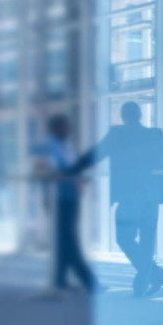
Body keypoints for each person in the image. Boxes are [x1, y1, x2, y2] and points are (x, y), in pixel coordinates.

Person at [68, 102, 163, 297]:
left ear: (123, 116)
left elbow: (95, 155)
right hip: (151, 195)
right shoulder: (153, 134)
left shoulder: (117, 135)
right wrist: (161, 165)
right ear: (139, 115)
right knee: (147, 239)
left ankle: (151, 276)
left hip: (129, 196)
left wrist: (72, 169)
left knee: (124, 238)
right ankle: (149, 278)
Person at [31, 114, 99, 295]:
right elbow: (44, 170)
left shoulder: (65, 146)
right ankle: (89, 280)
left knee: (63, 240)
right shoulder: (46, 146)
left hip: (70, 197)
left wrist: (77, 178)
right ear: (56, 128)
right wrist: (69, 176)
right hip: (57, 198)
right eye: (66, 127)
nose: (69, 130)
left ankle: (59, 280)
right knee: (68, 240)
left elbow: (68, 169)